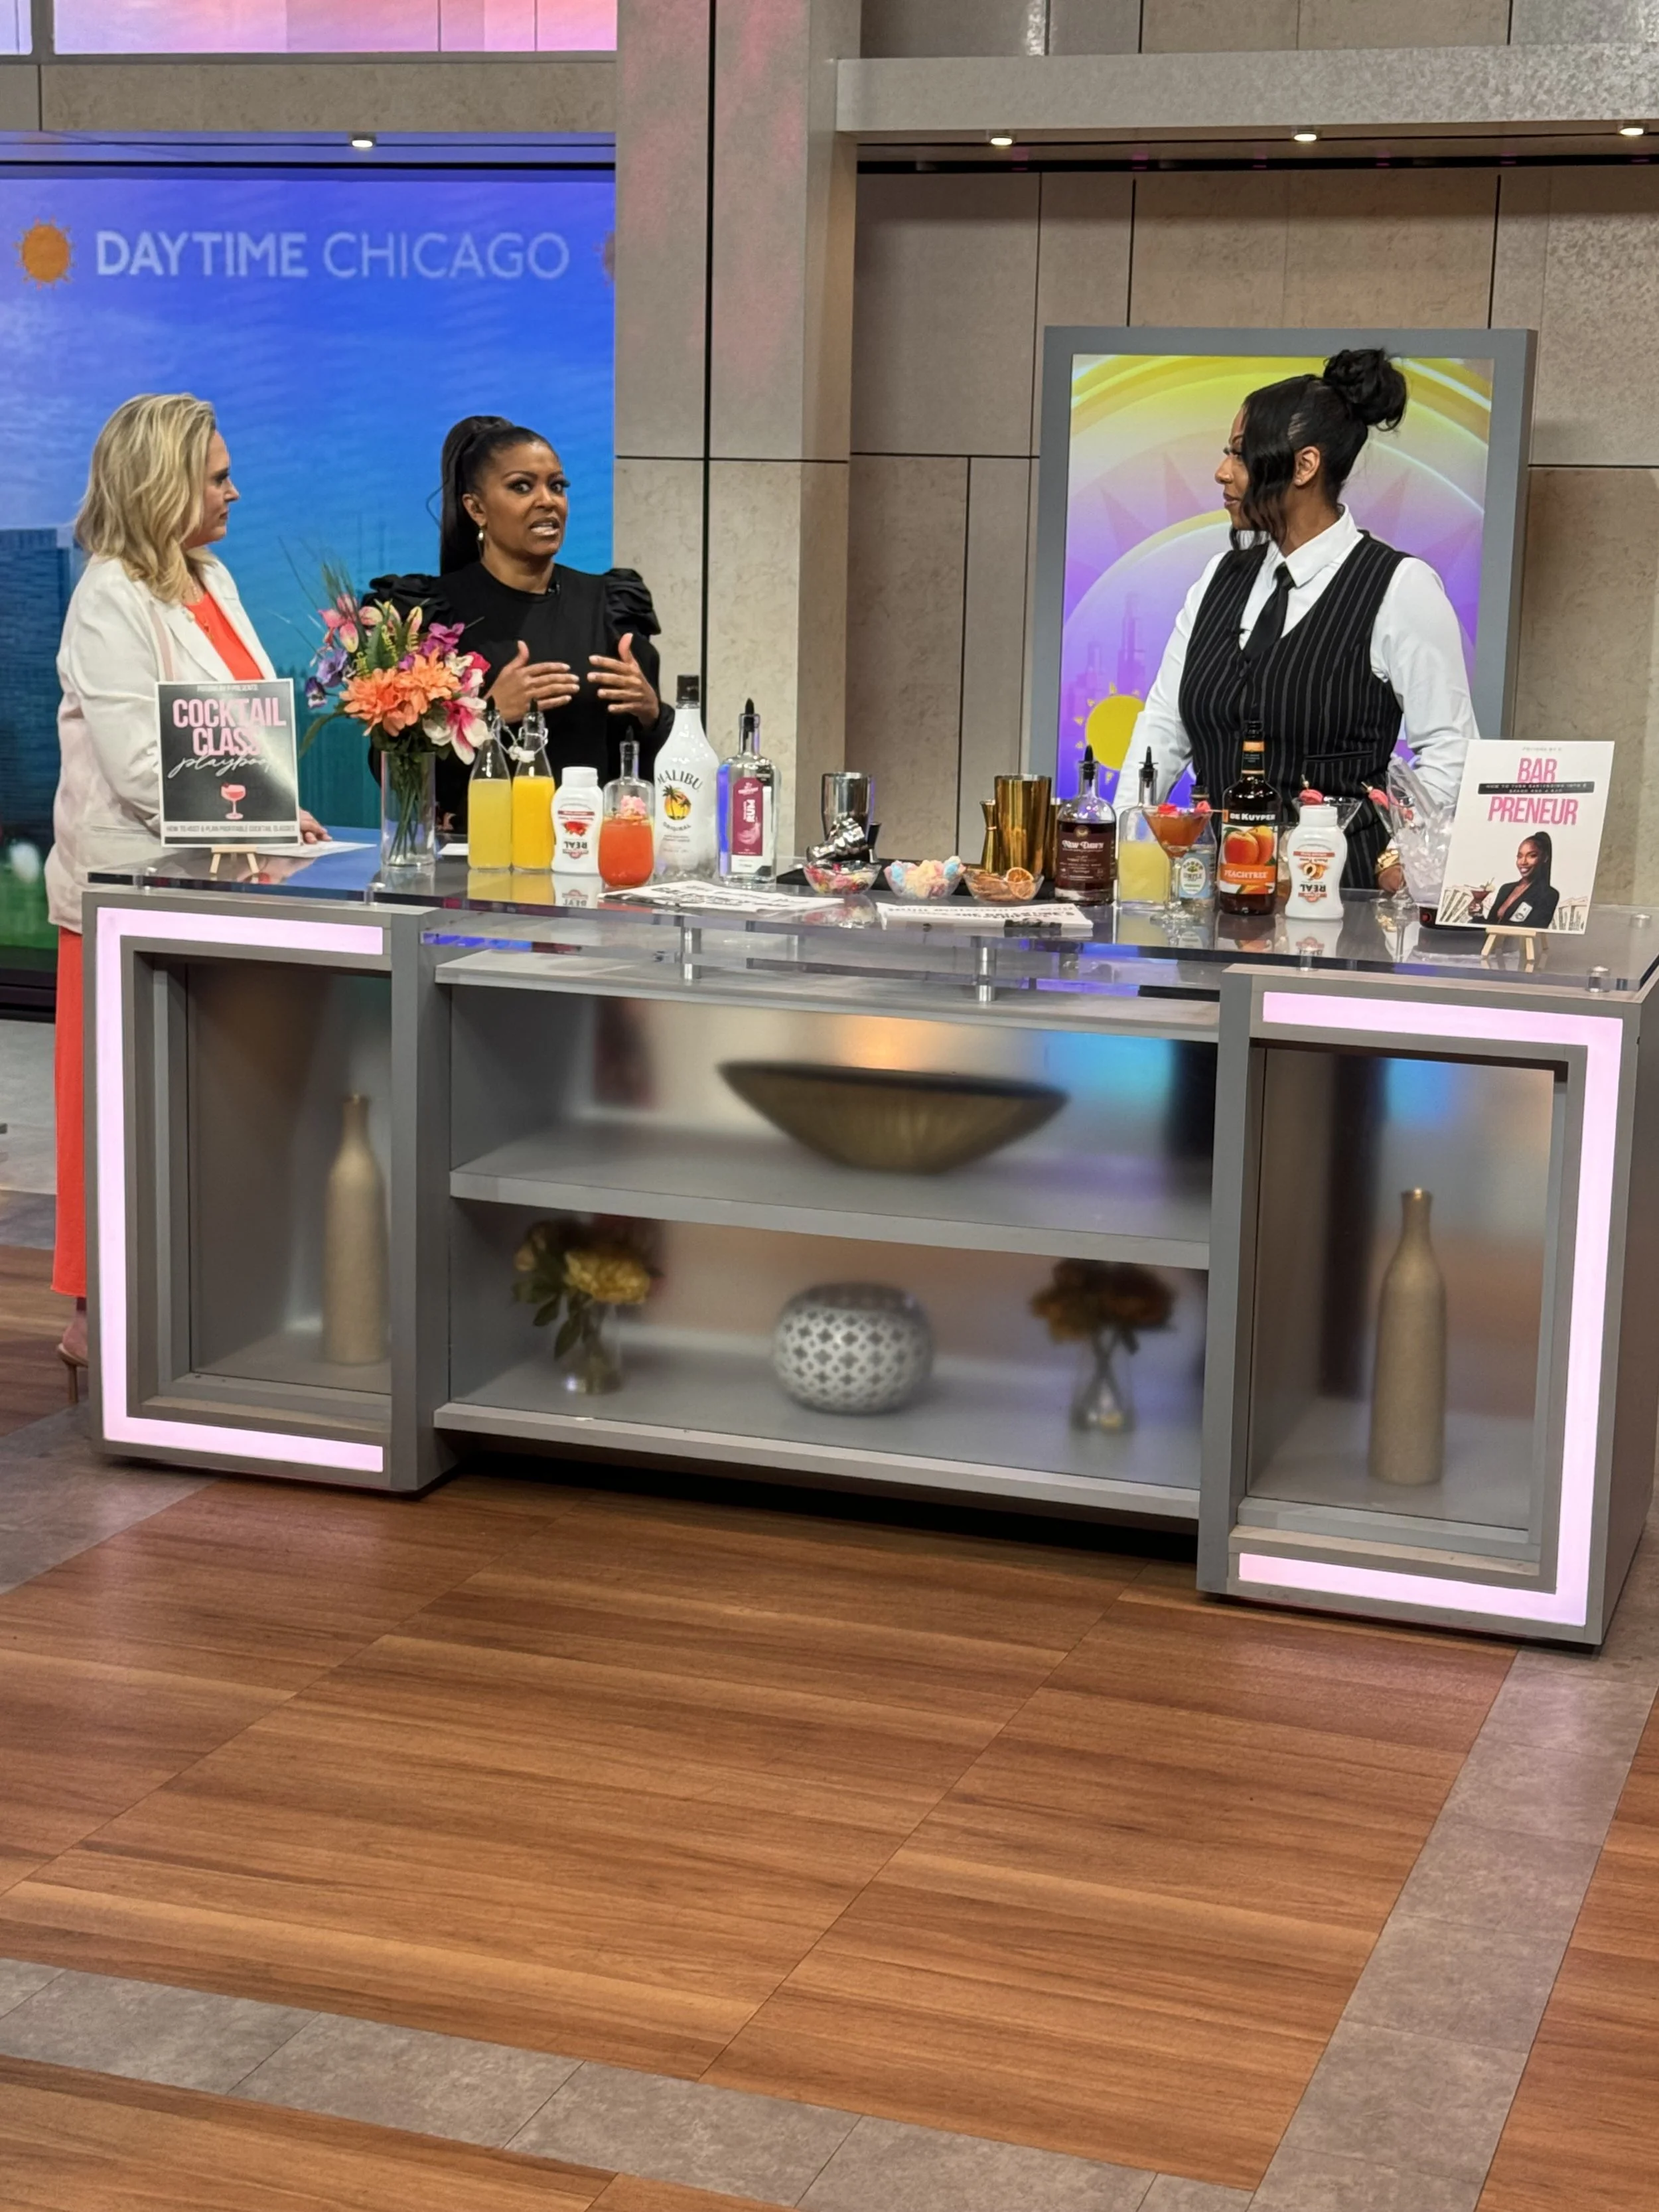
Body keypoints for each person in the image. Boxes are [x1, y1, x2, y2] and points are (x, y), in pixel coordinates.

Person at [45, 393, 324, 1379]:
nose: (234, 491)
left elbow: (233, 724)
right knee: (111, 1112)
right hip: (125, 894)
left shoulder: (212, 574)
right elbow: (136, 763)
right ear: (162, 483)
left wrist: (283, 809)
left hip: (214, 889)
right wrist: (260, 809)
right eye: (216, 477)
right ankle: (96, 1313)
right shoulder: (107, 595)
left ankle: (200, 1298)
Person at [1135, 348, 1477, 886]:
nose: (1222, 472)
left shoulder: (1401, 587)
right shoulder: (1217, 578)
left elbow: (1451, 752)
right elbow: (1164, 724)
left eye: (1242, 455)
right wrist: (1123, 845)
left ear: (1305, 465)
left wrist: (1399, 857)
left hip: (1341, 900)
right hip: (1215, 894)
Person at [371, 415, 672, 826]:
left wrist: (652, 715)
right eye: (522, 487)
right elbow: (394, 770)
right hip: (471, 861)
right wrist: (489, 713)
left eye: (558, 486)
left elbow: (656, 774)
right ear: (476, 508)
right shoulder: (429, 617)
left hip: (588, 856)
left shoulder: (611, 606)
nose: (548, 500)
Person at [1468, 832, 1559, 930]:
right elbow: (1492, 926)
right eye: (1520, 856)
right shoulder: (1506, 889)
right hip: (1496, 943)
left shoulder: (1549, 895)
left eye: (1532, 856)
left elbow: (1533, 929)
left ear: (1545, 858)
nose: (1523, 862)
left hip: (1519, 945)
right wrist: (1478, 915)